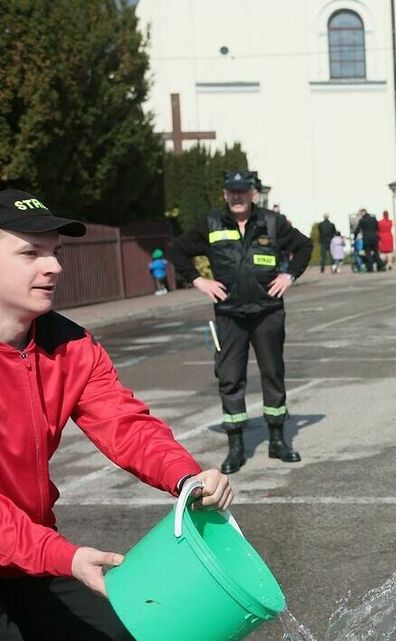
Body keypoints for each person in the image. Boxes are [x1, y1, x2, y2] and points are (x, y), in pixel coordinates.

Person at [0, 189, 234, 638]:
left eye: (55, 253)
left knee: (130, 631)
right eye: (30, 253)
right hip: (34, 549)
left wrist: (187, 478)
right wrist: (64, 557)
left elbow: (125, 424)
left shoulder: (69, 344)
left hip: (31, 556)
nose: (54, 266)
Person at [169, 170, 313, 473]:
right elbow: (177, 251)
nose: (237, 196)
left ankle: (278, 440)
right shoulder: (211, 223)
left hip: (268, 312)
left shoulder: (272, 223)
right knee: (230, 377)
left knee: (273, 374)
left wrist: (289, 275)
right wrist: (199, 281)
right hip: (229, 315)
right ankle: (236, 447)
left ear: (253, 194)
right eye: (231, 191)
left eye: (243, 191)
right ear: (225, 195)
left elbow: (304, 247)